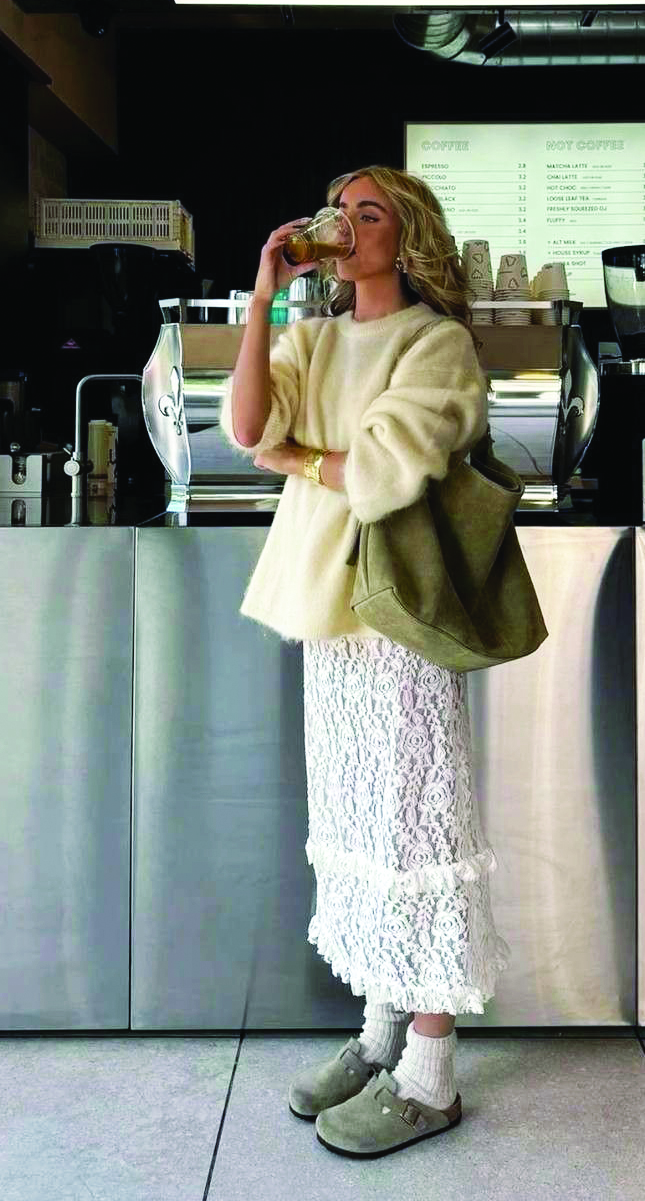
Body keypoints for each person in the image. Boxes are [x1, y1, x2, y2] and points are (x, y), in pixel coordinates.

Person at [220, 166, 511, 1156]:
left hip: (402, 616)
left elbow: (383, 472)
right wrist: (263, 300)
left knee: (417, 829)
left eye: (367, 212)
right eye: (337, 210)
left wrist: (300, 460)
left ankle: (430, 1073)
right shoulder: (313, 336)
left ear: (406, 235)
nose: (344, 225)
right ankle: (381, 1035)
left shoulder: (436, 343)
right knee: (356, 822)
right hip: (329, 613)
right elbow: (248, 427)